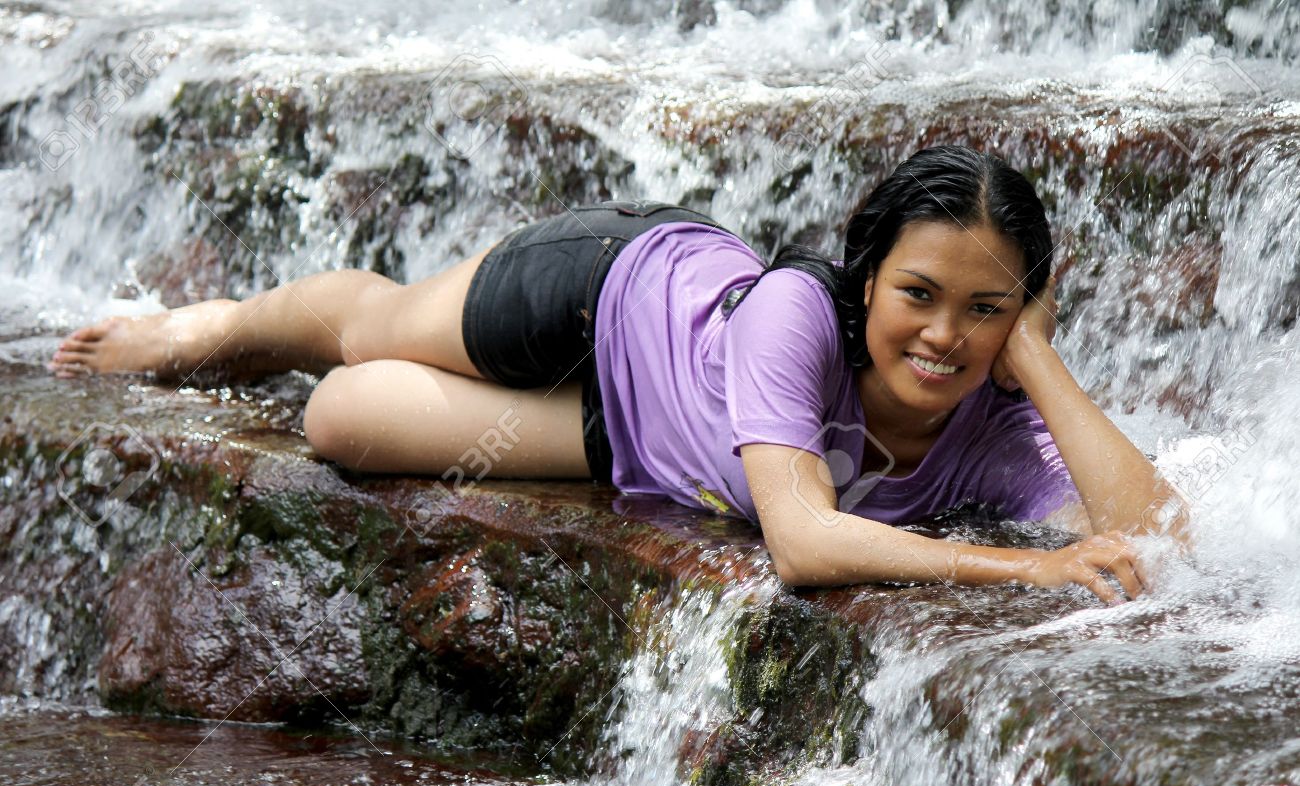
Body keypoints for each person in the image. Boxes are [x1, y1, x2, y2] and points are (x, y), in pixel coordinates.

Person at [50, 145, 1181, 604]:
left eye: (986, 309)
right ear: (865, 273)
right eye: (918, 294)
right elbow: (802, 540)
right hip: (611, 288)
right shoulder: (800, 311)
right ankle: (203, 329)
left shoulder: (992, 410)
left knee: (341, 421)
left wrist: (1032, 356)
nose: (943, 336)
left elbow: (1159, 532)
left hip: (628, 439)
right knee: (370, 336)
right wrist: (1021, 573)